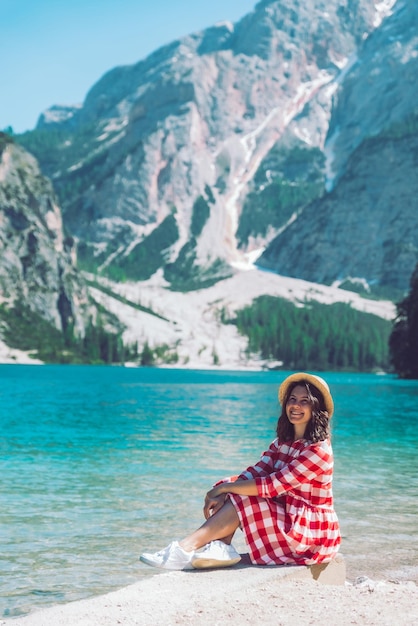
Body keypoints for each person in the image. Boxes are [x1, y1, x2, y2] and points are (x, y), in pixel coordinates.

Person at [140, 372, 341, 571]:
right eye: (292, 399)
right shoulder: (282, 443)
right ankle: (220, 547)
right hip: (288, 519)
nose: (296, 405)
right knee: (236, 489)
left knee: (242, 494)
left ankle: (183, 548)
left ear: (317, 408)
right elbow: (257, 472)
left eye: (305, 401)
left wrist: (227, 488)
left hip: (311, 535)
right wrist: (222, 488)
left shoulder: (318, 451)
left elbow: (272, 486)